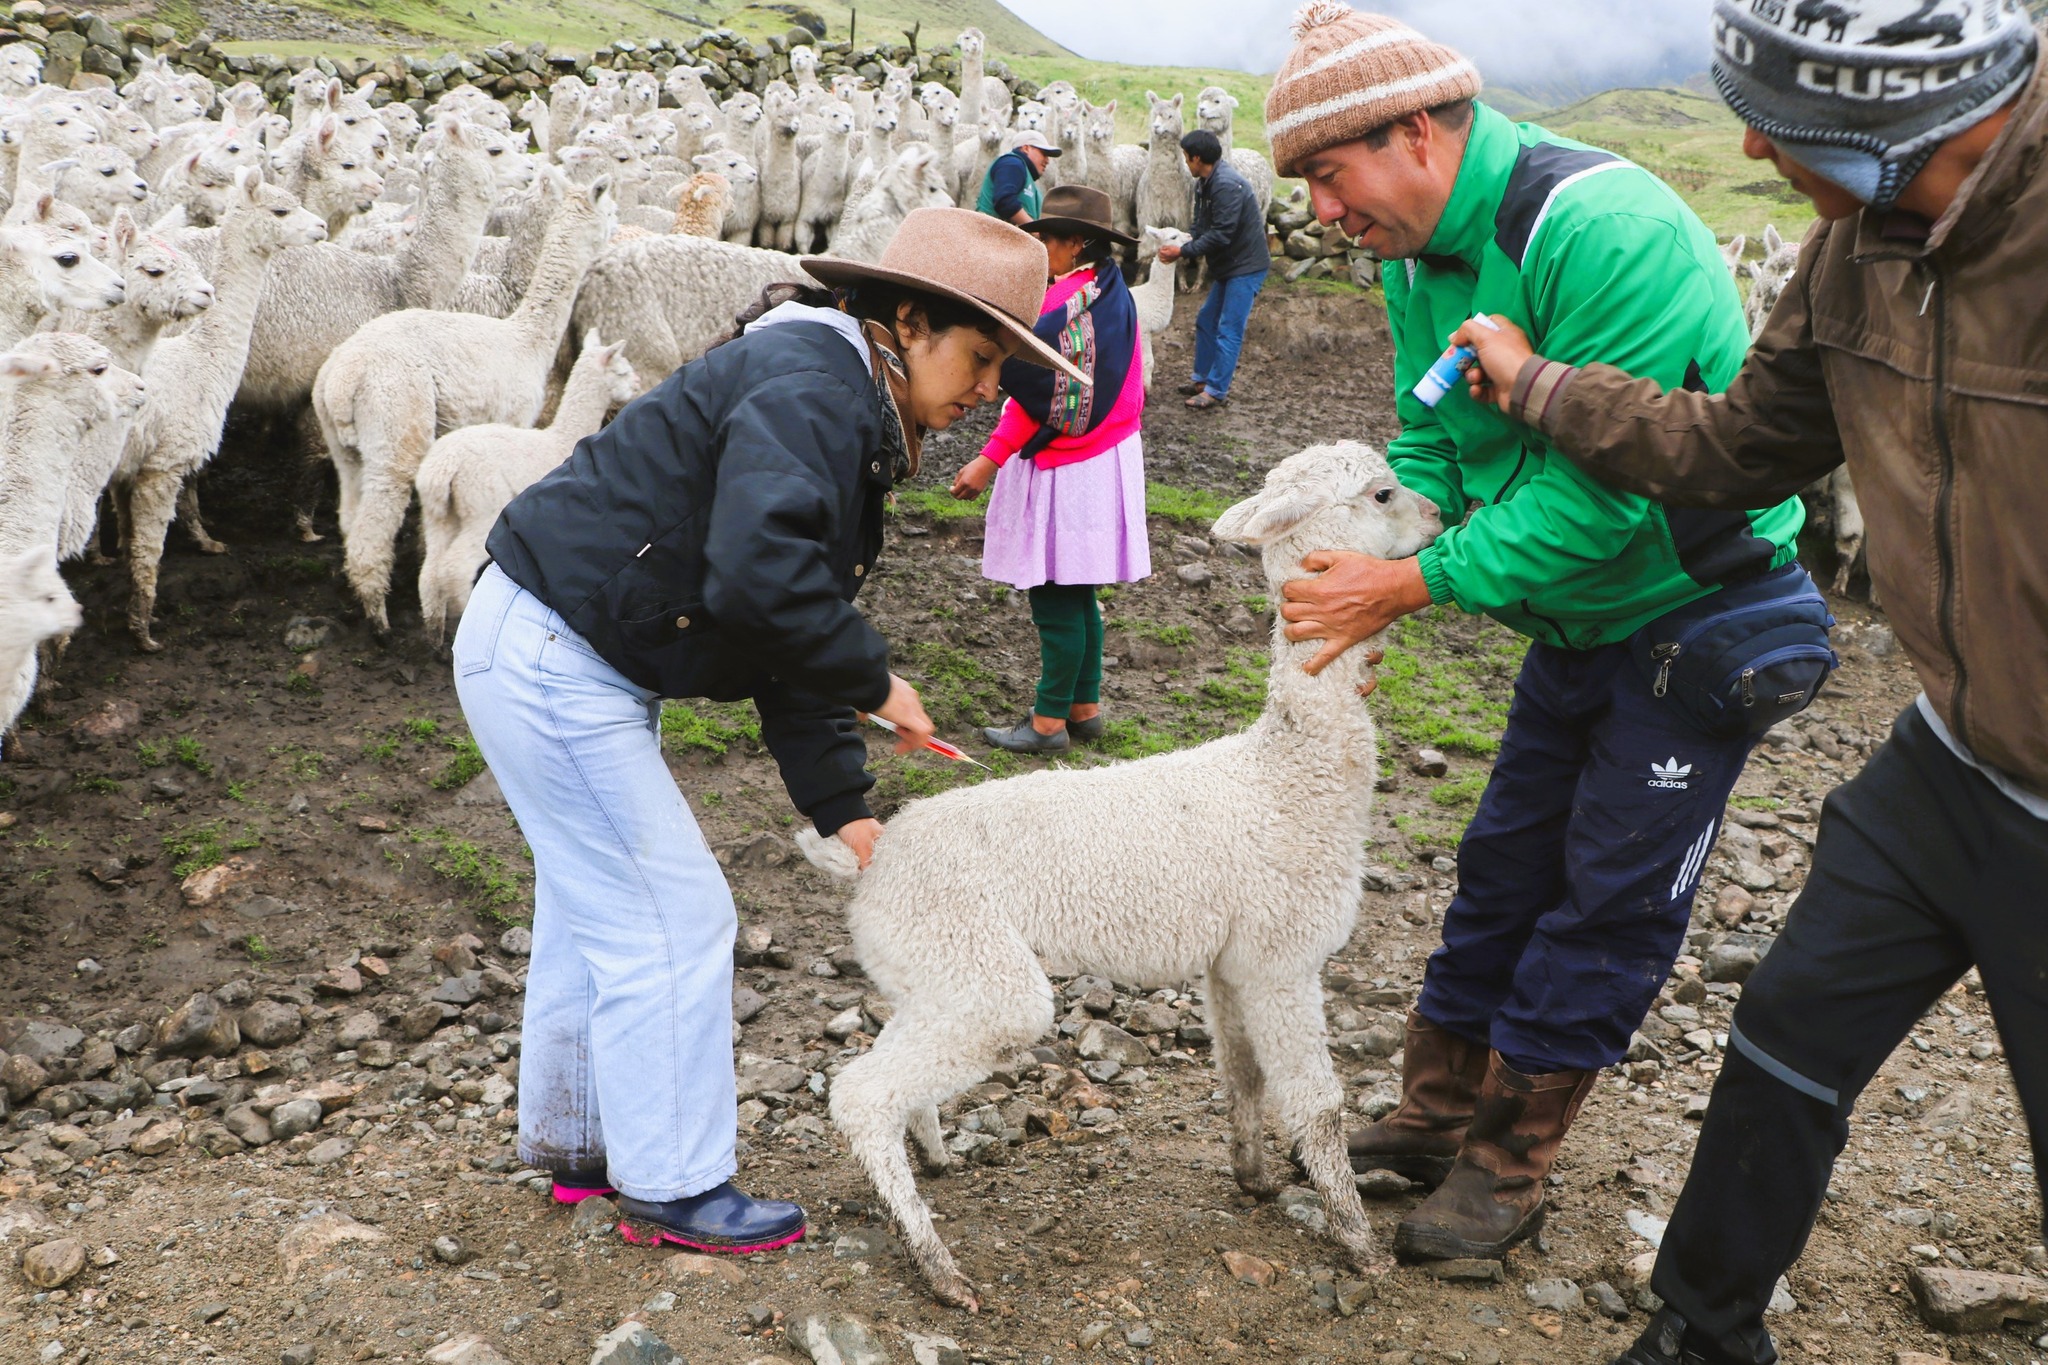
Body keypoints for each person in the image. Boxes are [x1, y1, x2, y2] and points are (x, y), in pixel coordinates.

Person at [1445, 1, 2045, 1360]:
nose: (1754, 149)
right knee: (1786, 1032)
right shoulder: (1854, 253)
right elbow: (1733, 449)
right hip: (1950, 754)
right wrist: (1540, 388)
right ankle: (1702, 1333)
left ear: (1894, 126)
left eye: (1780, 124)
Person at [1263, 6, 1813, 1263]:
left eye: (1329, 177)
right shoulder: (1415, 260)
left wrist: (1405, 590)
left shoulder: (1599, 233)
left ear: (1412, 133)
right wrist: (1395, 534)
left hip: (1694, 611)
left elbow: (1601, 493)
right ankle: (1437, 1109)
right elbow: (1427, 434)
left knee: (1603, 897)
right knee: (1504, 863)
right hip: (1575, 623)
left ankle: (1509, 1166)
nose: (1324, 212)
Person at [456, 209, 1083, 1255]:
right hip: (556, 655)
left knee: (595, 902)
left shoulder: (836, 397)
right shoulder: (812, 390)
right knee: (673, 916)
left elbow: (789, 618)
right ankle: (674, 1187)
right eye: (978, 358)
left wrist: (845, 811)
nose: (984, 394)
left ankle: (579, 1144)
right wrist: (877, 679)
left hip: (555, 641)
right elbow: (763, 582)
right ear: (910, 319)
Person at [949, 184, 1151, 754]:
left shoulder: (1067, 308)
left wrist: (987, 460)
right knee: (1079, 592)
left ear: (1076, 243)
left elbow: (1042, 396)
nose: (1042, 253)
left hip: (1071, 466)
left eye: (1049, 242)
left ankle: (1046, 724)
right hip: (1106, 458)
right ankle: (1084, 708)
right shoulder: (1113, 296)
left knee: (1057, 594)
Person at [1157, 127, 1269, 409]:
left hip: (1246, 266)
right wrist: (1187, 240)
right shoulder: (1204, 183)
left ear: (1197, 158)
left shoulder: (1226, 185)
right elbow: (1201, 225)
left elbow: (1222, 234)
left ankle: (1215, 390)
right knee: (1206, 320)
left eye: (1185, 157)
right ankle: (1202, 379)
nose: (1184, 162)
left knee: (1228, 328)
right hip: (1231, 265)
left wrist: (1182, 251)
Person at [977, 129, 1060, 226]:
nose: (1047, 160)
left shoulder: (1024, 172)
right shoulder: (1012, 163)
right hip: (990, 236)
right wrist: (1035, 231)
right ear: (1026, 148)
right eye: (1044, 154)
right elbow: (1005, 201)